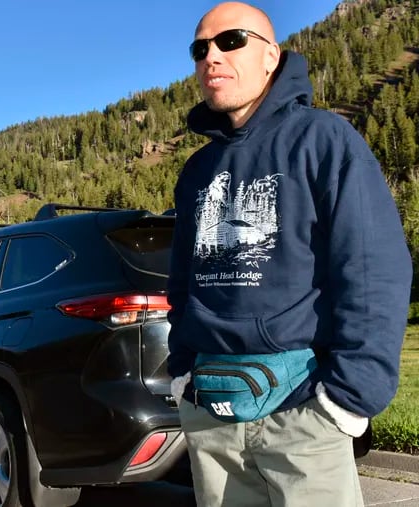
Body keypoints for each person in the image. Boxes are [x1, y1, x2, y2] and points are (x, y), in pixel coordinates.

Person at [166, 2, 412, 506]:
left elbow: (372, 270)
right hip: (211, 412)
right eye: (200, 48)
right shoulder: (196, 170)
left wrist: (347, 400)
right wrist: (183, 372)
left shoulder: (324, 140)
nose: (211, 56)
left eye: (230, 40)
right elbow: (182, 283)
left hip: (302, 413)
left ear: (270, 56)